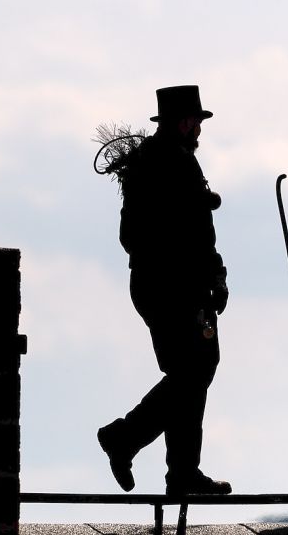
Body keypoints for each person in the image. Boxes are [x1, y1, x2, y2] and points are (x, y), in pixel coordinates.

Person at [97, 85, 231, 496]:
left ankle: (179, 472)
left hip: (172, 287)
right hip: (175, 290)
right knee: (194, 371)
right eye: (194, 121)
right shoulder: (168, 164)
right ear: (181, 122)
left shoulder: (161, 162)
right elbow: (179, 235)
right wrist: (207, 275)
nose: (198, 129)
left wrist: (215, 276)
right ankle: (129, 440)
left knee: (191, 371)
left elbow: (180, 234)